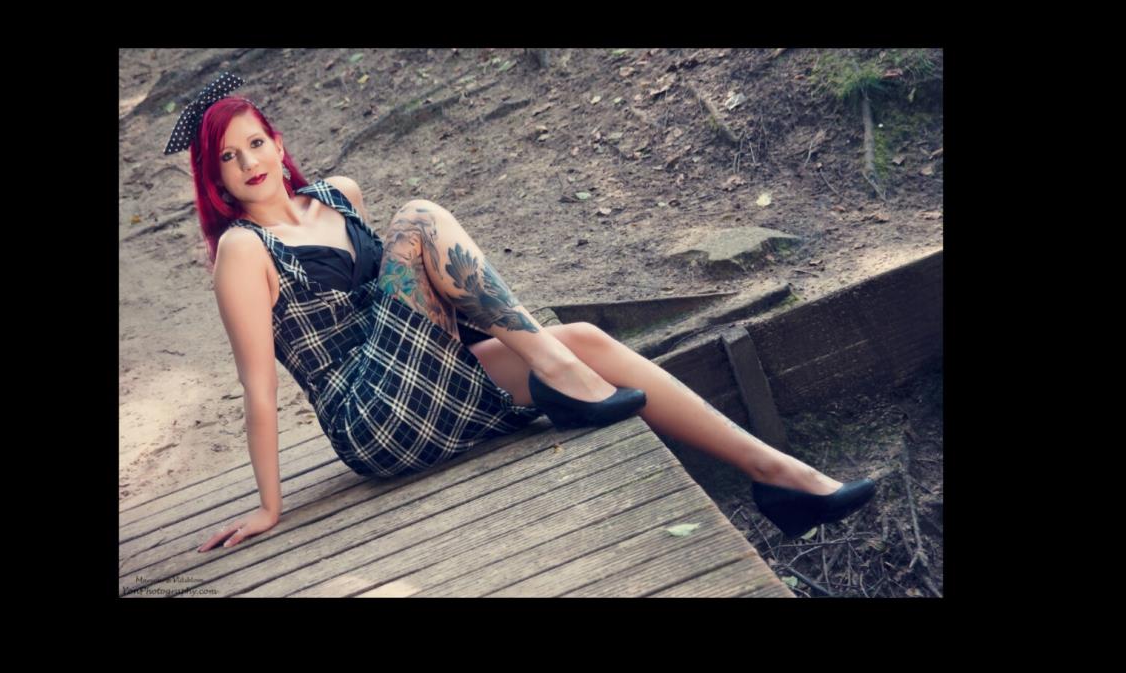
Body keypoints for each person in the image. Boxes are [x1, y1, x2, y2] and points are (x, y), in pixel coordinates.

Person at [161, 72, 876, 554]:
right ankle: (560, 375)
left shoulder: (339, 195)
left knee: (586, 337)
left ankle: (777, 474)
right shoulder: (242, 252)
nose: (249, 163)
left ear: (278, 142)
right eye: (228, 157)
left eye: (256, 143)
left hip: (425, 376)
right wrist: (270, 508)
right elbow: (259, 390)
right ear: (214, 177)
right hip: (370, 417)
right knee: (420, 218)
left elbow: (411, 301)